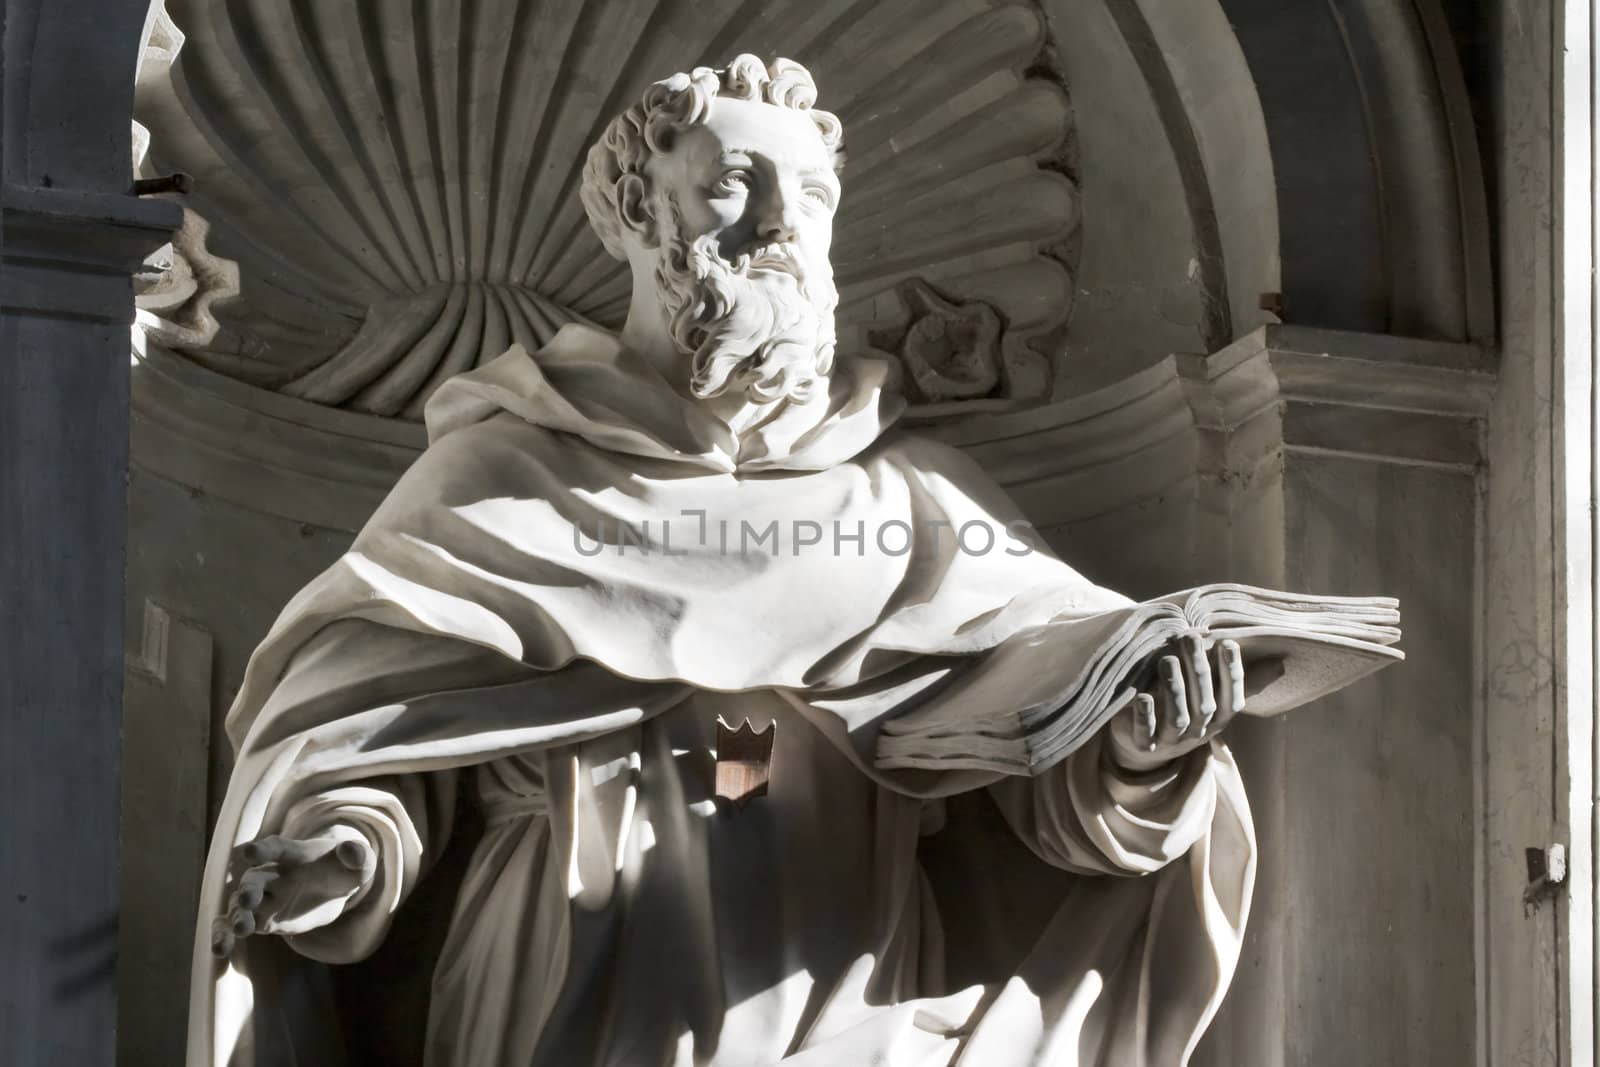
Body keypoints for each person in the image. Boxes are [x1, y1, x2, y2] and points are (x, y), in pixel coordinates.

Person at [190, 55, 1255, 1067]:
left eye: (811, 192)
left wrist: (1142, 752)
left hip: (846, 986)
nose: (783, 224)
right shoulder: (505, 477)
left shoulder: (913, 497)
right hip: (571, 980)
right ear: (639, 215)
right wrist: (347, 851)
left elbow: (1050, 777)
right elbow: (380, 739)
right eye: (733, 185)